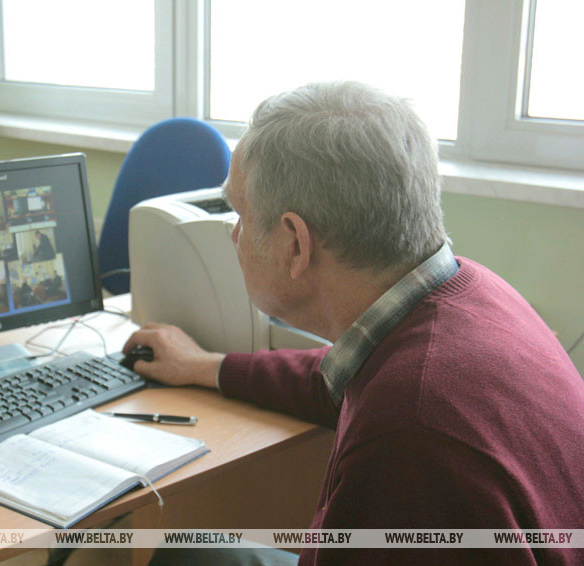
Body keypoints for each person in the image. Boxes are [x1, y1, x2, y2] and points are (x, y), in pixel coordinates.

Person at [124, 82, 584, 565]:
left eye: (240, 213)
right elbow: (341, 375)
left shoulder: (408, 436)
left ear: (295, 244)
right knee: (197, 555)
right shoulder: (470, 293)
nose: (234, 235)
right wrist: (205, 366)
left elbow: (398, 406)